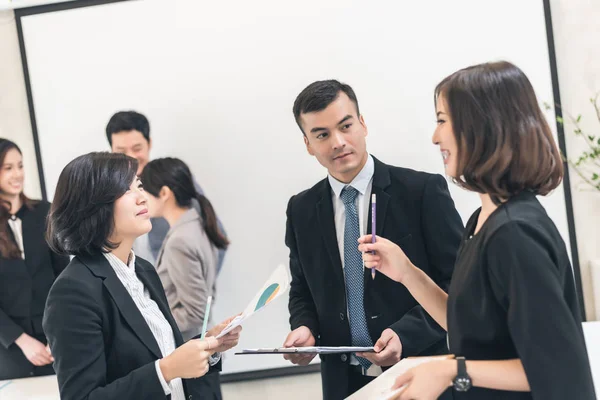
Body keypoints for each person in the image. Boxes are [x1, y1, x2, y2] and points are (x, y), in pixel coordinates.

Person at [359, 61, 596, 399]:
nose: (435, 136)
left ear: (481, 127)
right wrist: (408, 272)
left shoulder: (515, 235)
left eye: (442, 121)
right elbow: (467, 327)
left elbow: (555, 365)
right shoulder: (482, 222)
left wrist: (448, 370)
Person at [282, 80, 464, 399]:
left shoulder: (421, 193)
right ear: (308, 144)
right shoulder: (301, 209)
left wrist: (404, 334)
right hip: (344, 383)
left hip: (420, 374)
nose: (338, 142)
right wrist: (305, 328)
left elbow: (458, 287)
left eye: (346, 126)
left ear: (363, 124)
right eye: (322, 135)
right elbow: (302, 290)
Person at [43, 152, 241, 400]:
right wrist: (165, 371)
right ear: (94, 205)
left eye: (138, 185)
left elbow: (160, 353)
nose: (141, 197)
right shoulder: (73, 292)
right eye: (126, 190)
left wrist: (208, 344)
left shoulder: (144, 270)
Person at [140, 157, 229, 399]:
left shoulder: (180, 239)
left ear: (164, 193)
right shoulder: (196, 225)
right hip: (199, 353)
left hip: (191, 355)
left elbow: (194, 312)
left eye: (144, 191)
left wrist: (150, 327)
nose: (142, 198)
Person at [105, 111, 227, 269]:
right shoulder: (108, 191)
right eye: (121, 152)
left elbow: (217, 238)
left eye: (137, 148)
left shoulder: (171, 180)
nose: (131, 157)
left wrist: (201, 286)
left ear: (149, 144)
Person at [0, 139, 69, 380]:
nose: (17, 174)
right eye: (8, 168)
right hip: (9, 347)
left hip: (55, 337)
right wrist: (22, 341)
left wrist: (58, 333)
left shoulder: (44, 212)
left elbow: (65, 276)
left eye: (20, 165)